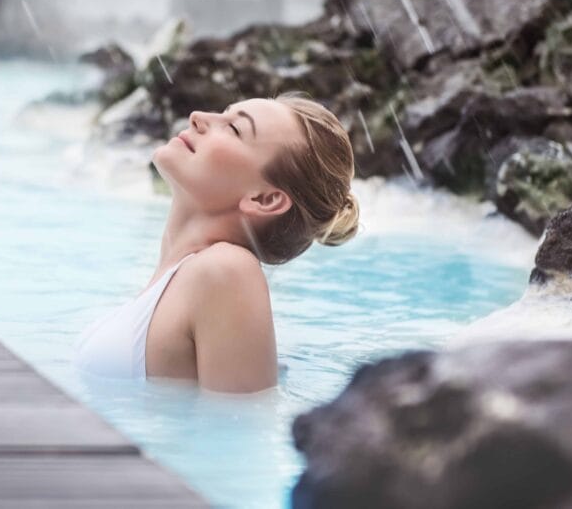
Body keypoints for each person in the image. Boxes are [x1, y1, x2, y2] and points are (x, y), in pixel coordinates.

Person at [74, 91, 360, 393]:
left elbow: (237, 432)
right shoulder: (183, 281)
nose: (198, 116)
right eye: (223, 112)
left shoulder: (227, 270)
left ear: (264, 199)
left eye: (235, 129)